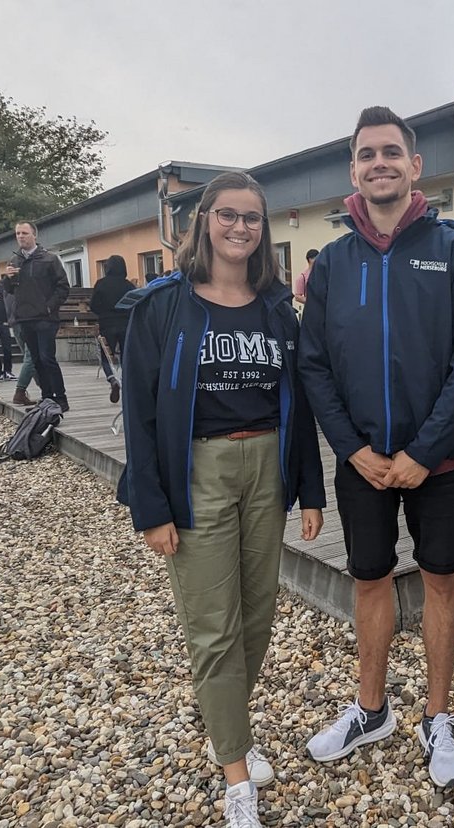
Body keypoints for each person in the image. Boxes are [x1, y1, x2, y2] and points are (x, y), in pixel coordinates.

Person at [117, 171, 325, 828]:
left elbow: (300, 403)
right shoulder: (162, 307)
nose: (241, 228)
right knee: (213, 626)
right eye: (228, 215)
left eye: (253, 218)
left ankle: (221, 727)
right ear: (204, 221)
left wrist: (311, 488)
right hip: (196, 470)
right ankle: (237, 774)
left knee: (257, 617)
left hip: (266, 467)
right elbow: (141, 417)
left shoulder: (275, 310)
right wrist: (151, 507)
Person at [299, 106, 454, 787]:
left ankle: (438, 717)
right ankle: (371, 708)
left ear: (415, 166)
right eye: (365, 154)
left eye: (391, 152)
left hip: (435, 463)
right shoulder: (333, 263)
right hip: (364, 463)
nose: (378, 162)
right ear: (353, 170)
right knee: (370, 577)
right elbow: (314, 363)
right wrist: (351, 449)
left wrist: (426, 448)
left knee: (441, 578)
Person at [2, 221, 71, 412]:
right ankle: (46, 397)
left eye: (24, 233)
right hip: (25, 317)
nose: (20, 237)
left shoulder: (48, 259)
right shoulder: (14, 261)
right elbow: (8, 290)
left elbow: (63, 287)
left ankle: (61, 398)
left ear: (34, 235)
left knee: (47, 357)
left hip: (45, 317)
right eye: (17, 234)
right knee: (37, 359)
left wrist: (50, 307)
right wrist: (7, 278)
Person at [90, 255, 132, 403]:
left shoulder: (101, 284)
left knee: (106, 356)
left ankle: (112, 379)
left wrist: (103, 313)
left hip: (107, 324)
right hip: (126, 324)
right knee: (126, 355)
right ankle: (127, 382)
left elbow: (93, 305)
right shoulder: (128, 285)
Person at [4, 290, 38, 407]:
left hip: (15, 322)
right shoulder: (25, 284)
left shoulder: (9, 287)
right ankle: (20, 391)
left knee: (30, 357)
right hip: (27, 322)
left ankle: (43, 387)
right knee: (31, 357)